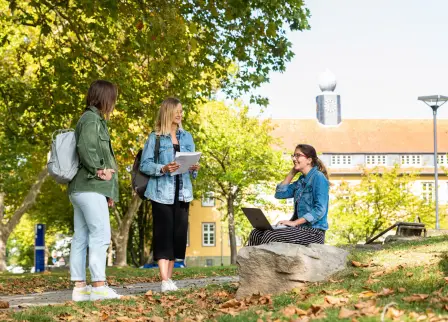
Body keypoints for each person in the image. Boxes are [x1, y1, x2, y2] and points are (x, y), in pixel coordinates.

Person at [68, 80, 121, 301]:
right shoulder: (91, 119)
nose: (114, 103)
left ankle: (80, 289)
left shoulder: (91, 119)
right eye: (113, 98)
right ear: (104, 97)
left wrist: (107, 192)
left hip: (83, 188)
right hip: (89, 186)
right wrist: (100, 171)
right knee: (100, 235)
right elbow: (85, 148)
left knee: (81, 237)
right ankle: (99, 286)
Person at [140, 97, 199, 293]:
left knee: (177, 236)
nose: (180, 114)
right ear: (168, 113)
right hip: (160, 193)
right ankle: (164, 280)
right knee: (163, 235)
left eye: (181, 111)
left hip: (183, 192)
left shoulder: (187, 137)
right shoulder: (155, 138)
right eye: (176, 111)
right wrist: (163, 168)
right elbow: (145, 165)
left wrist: (194, 167)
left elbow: (192, 168)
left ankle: (170, 279)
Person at [248, 144, 329, 246]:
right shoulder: (301, 181)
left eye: (298, 155)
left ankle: (262, 262)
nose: (294, 159)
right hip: (300, 230)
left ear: (309, 160)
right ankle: (251, 262)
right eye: (293, 156)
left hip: (314, 232)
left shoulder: (318, 177)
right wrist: (292, 172)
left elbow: (320, 210)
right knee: (256, 233)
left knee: (270, 235)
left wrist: (295, 223)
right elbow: (279, 194)